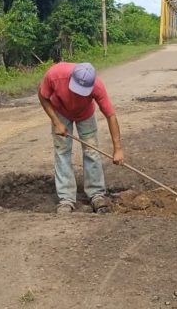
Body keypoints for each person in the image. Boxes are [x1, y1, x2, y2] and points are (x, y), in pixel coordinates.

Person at [38, 62, 124, 214]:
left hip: (85, 114)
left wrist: (117, 149)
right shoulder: (55, 75)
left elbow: (110, 115)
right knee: (62, 152)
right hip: (61, 112)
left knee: (92, 151)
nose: (79, 93)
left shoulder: (97, 86)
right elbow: (42, 96)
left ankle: (96, 194)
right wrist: (56, 122)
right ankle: (66, 199)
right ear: (71, 78)